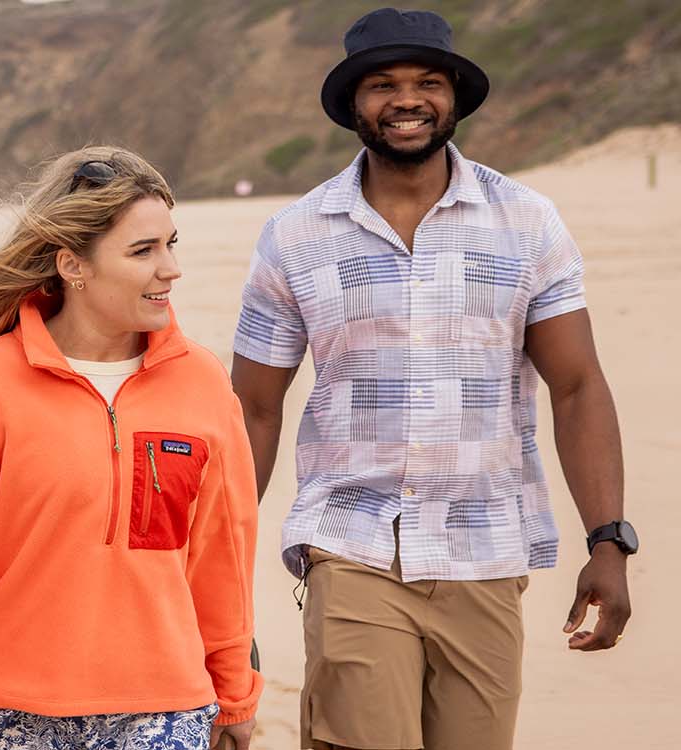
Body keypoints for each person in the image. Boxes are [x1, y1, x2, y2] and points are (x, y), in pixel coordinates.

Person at [229, 9, 637, 750]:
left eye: (427, 82)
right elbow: (253, 409)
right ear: (355, 103)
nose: (406, 100)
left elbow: (577, 387)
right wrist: (217, 563)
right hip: (351, 547)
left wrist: (608, 539)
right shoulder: (296, 235)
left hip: (485, 551)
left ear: (454, 97)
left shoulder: (527, 223)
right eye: (382, 84)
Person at [0, 148, 260, 750]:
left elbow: (221, 557)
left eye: (171, 243)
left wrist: (234, 695)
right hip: (9, 718)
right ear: (73, 265)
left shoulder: (202, 387)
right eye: (143, 251)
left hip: (166, 714)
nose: (171, 269)